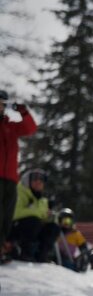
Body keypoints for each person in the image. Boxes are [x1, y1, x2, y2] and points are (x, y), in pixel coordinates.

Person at [0, 92, 38, 264]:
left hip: (10, 179)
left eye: (2, 103)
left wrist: (23, 112)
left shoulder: (11, 127)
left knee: (6, 218)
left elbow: (30, 128)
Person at [8, 169, 58, 262]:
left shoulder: (43, 200)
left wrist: (49, 217)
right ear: (28, 180)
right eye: (35, 179)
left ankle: (41, 255)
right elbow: (15, 213)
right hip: (14, 228)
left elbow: (43, 217)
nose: (38, 182)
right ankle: (22, 251)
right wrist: (38, 213)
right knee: (33, 221)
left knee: (53, 227)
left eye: (42, 180)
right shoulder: (19, 192)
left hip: (34, 231)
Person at [52, 207, 93, 272]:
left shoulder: (75, 234)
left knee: (70, 265)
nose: (66, 223)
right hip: (55, 257)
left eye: (68, 221)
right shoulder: (55, 232)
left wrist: (88, 257)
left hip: (68, 260)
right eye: (64, 221)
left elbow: (84, 248)